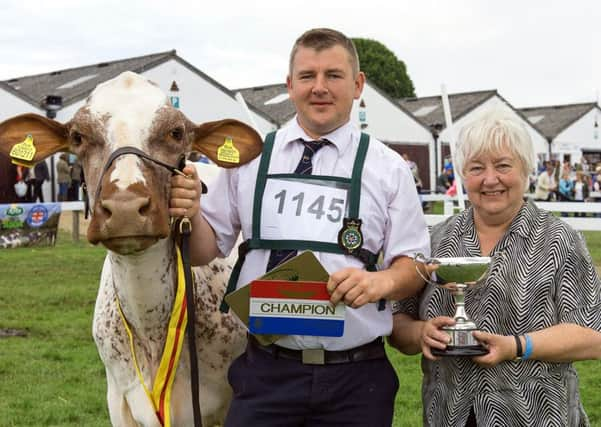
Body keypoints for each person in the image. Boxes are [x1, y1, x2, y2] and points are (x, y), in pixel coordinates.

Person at [170, 27, 430, 426]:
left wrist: (381, 284)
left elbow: (414, 263)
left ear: (358, 85)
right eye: (307, 76)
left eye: (334, 75)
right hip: (266, 371)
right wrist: (191, 212)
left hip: (357, 379)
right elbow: (207, 248)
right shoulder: (249, 159)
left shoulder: (389, 168)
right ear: (290, 86)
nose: (319, 88)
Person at [389, 108, 601, 426]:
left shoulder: (561, 241)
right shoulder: (434, 240)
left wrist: (517, 346)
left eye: (503, 166)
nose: (490, 179)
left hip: (537, 416)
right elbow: (397, 325)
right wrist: (421, 332)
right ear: (463, 174)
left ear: (526, 169)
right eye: (477, 168)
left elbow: (592, 337)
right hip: (449, 413)